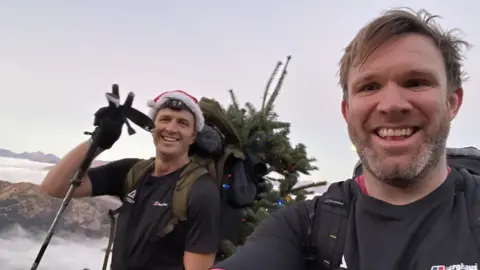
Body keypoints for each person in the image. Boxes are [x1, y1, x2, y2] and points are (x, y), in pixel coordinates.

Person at [211, 8, 478, 270]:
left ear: (452, 102)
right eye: (369, 87)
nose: (391, 105)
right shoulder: (305, 225)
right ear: (347, 112)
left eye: (416, 82)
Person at [40, 90, 221, 270]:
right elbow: (54, 187)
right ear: (152, 128)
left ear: (193, 137)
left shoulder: (201, 191)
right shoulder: (131, 172)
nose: (172, 128)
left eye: (182, 123)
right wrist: (99, 141)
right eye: (165, 119)